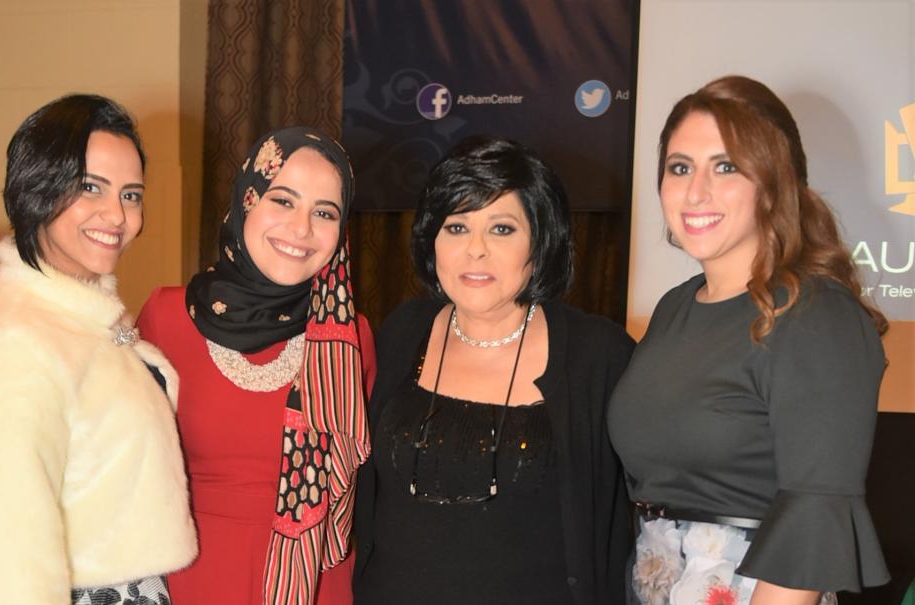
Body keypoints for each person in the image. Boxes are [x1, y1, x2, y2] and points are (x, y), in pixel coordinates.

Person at [607, 75, 890, 605]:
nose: (696, 192)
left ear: (773, 183)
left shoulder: (815, 314)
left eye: (727, 167)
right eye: (680, 167)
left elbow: (815, 513)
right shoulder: (675, 307)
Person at [353, 136, 635, 605]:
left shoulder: (598, 356)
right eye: (457, 228)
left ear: (541, 240)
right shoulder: (402, 332)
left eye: (501, 229)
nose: (475, 250)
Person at [0, 95, 197, 605]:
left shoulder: (82, 313)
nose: (118, 214)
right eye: (90, 188)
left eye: (131, 195)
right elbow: (6, 541)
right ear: (38, 187)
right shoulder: (19, 339)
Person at [136, 126, 375, 604]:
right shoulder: (166, 318)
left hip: (314, 584)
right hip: (191, 579)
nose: (302, 228)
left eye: (324, 211)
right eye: (283, 200)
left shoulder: (353, 339)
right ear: (247, 200)